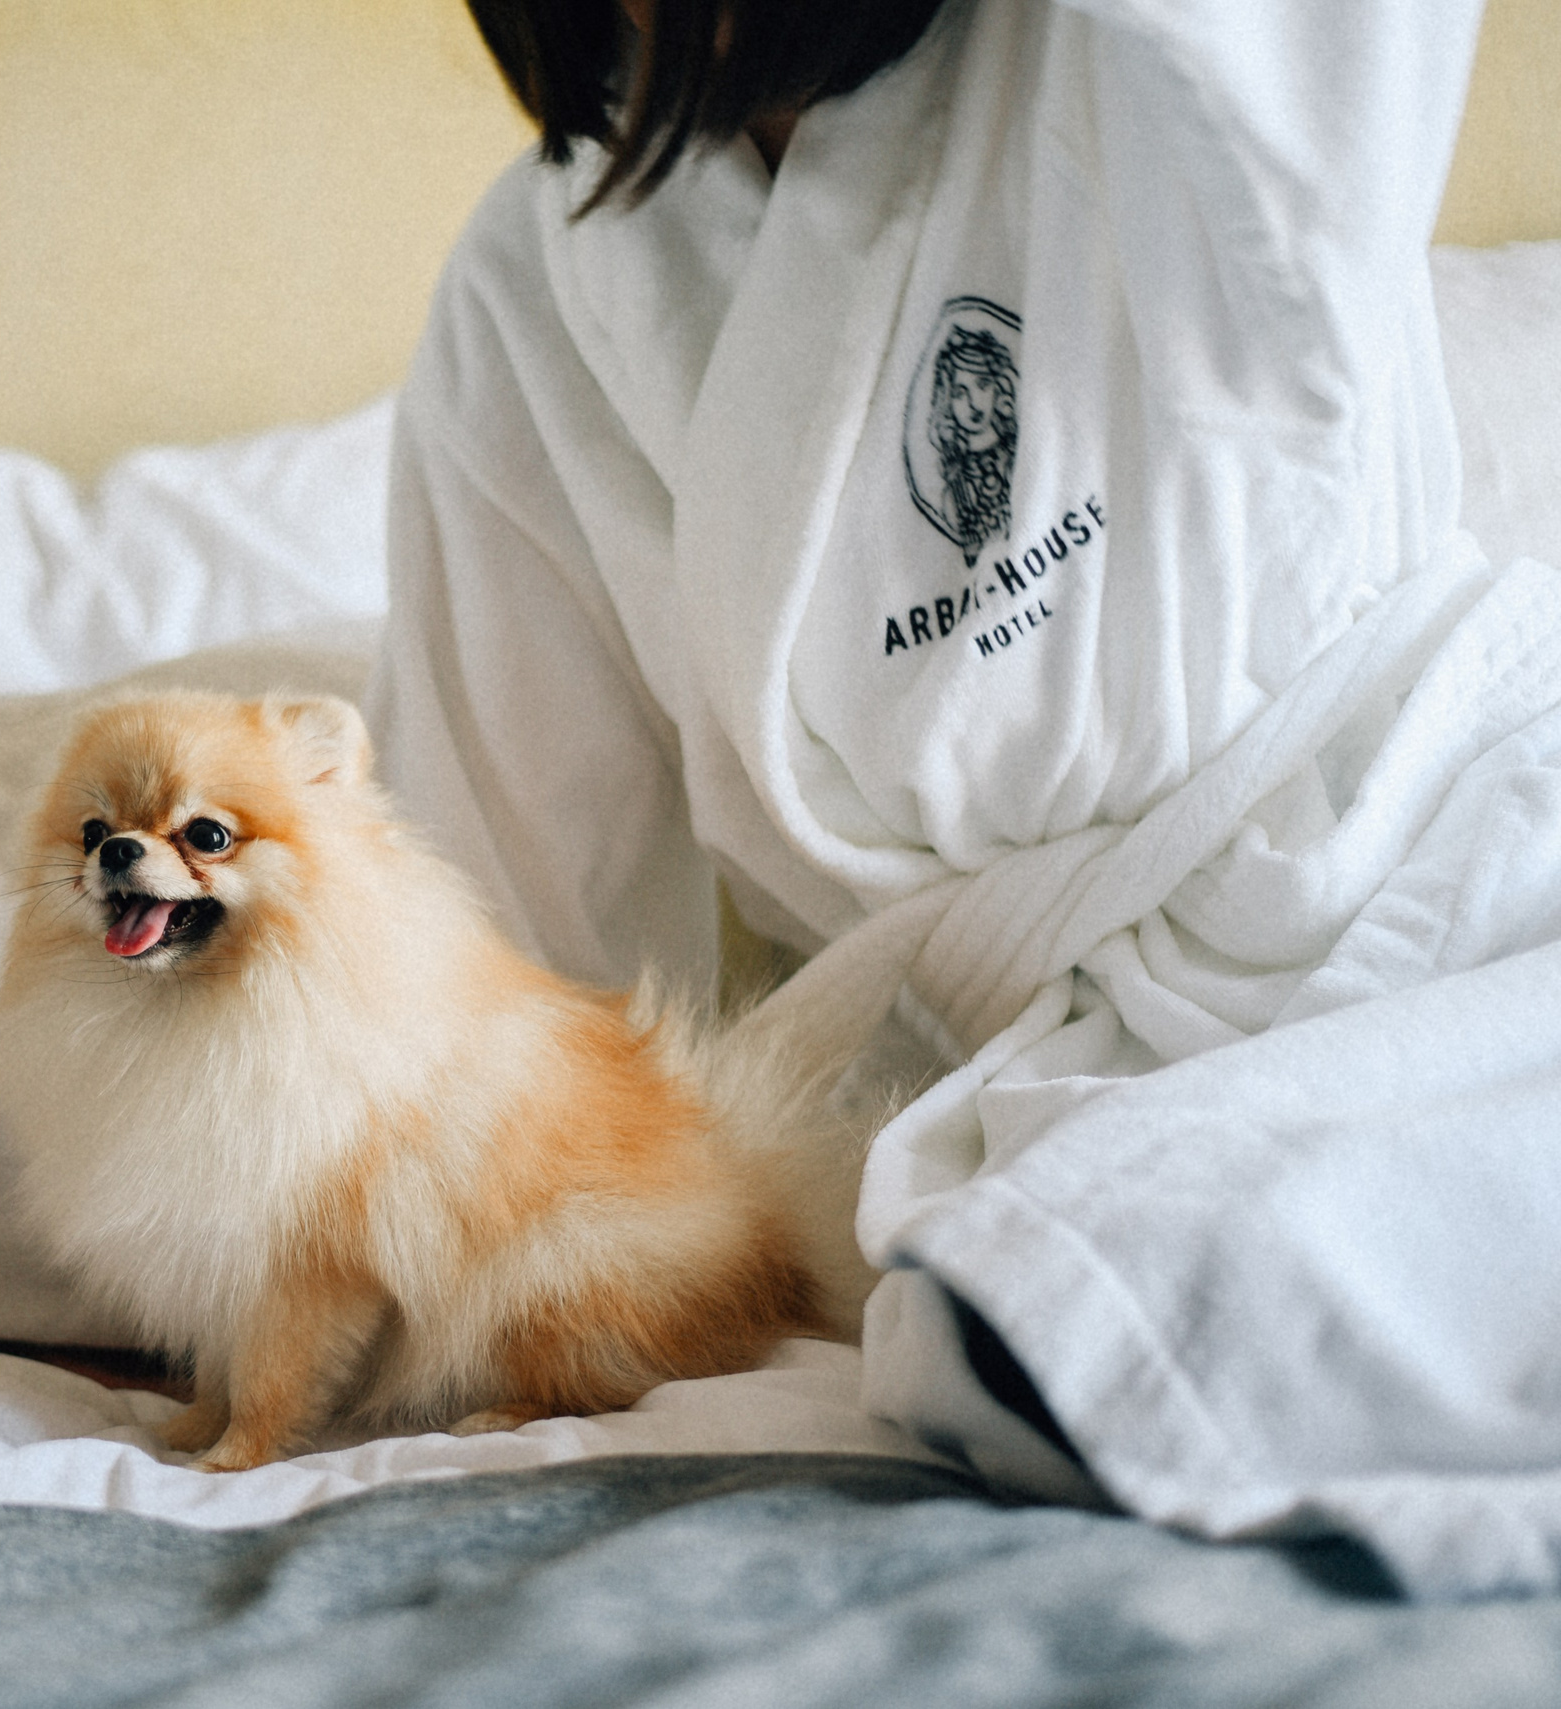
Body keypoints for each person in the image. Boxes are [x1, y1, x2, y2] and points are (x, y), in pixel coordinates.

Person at [366, 0, 1561, 1600]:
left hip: (1449, 887)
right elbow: (494, 978)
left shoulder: (1138, 52)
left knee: (1134, 1261)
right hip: (1052, 1114)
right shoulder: (538, 291)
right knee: (1029, 1289)